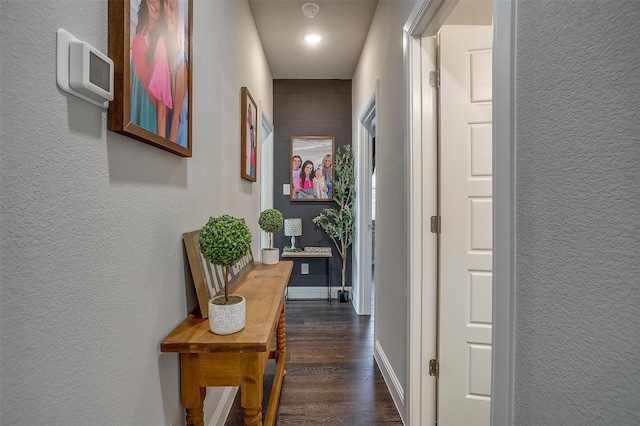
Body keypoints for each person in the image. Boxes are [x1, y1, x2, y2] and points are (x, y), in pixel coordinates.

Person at [130, 0, 173, 138]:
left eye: (161, 2)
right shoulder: (137, 39)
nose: (156, 4)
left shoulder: (159, 45)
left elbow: (161, 109)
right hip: (134, 108)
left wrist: (161, 146)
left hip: (148, 113)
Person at [163, 0, 188, 147]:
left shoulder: (180, 61)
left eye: (171, 7)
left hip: (176, 130)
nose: (166, 11)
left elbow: (176, 112)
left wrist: (169, 147)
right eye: (164, 5)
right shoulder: (164, 53)